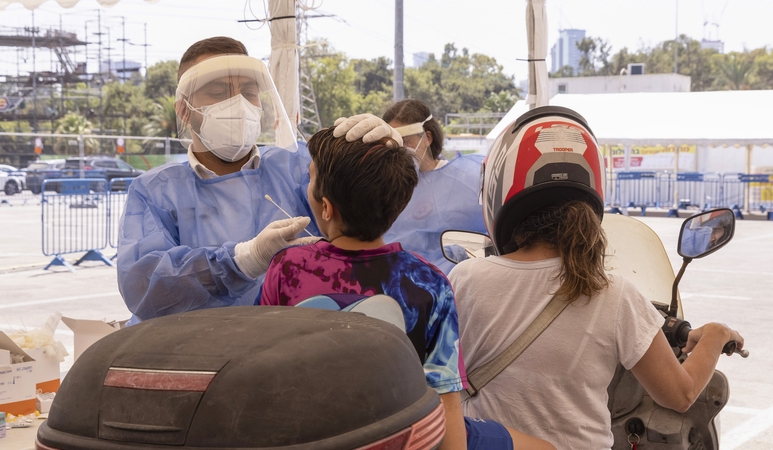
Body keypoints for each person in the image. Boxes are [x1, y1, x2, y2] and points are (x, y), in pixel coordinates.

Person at [448, 106, 745, 449]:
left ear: (499, 189)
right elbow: (681, 395)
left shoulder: (464, 280)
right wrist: (715, 335)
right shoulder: (615, 295)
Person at [258, 127, 554, 450]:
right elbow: (447, 412)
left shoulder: (287, 269)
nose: (307, 185)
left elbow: (262, 374)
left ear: (326, 208)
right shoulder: (429, 284)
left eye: (310, 178)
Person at [117, 37, 394, 322]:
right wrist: (243, 260)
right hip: (196, 351)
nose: (237, 103)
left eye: (248, 92)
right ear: (184, 110)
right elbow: (143, 288)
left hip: (295, 345)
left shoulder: (299, 166)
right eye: (218, 91)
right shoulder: (156, 191)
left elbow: (370, 215)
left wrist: (381, 157)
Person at [382, 100, 486, 274]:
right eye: (394, 144)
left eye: (406, 141)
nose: (400, 150)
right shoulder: (387, 189)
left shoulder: (466, 180)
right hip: (399, 282)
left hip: (454, 283)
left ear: (427, 138)